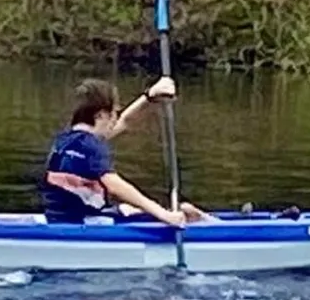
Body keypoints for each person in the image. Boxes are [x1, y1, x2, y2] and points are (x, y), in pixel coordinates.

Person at [41, 76, 208, 227]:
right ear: (100, 116)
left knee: (129, 209)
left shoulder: (66, 140)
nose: (116, 118)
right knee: (185, 213)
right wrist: (162, 214)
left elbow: (126, 121)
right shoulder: (90, 147)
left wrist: (150, 96)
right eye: (114, 113)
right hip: (85, 223)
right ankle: (207, 224)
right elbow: (115, 186)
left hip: (63, 219)